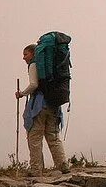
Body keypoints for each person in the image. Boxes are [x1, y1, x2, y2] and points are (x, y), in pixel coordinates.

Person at [16, 44, 69, 175]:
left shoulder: (34, 65)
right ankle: (63, 166)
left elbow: (34, 84)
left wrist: (22, 93)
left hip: (39, 106)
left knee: (35, 137)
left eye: (26, 54)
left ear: (34, 54)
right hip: (53, 105)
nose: (24, 58)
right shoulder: (51, 67)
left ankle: (36, 170)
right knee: (53, 137)